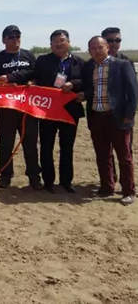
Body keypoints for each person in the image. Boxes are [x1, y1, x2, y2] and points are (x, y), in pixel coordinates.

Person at [82, 36, 137, 206]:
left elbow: (133, 93)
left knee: (124, 156)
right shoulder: (90, 67)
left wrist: (129, 115)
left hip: (117, 117)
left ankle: (128, 191)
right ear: (89, 51)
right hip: (97, 116)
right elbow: (89, 90)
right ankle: (107, 187)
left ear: (107, 47)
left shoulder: (122, 65)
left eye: (100, 47)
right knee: (102, 154)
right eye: (93, 48)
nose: (97, 51)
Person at [0, 25, 42, 190]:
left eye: (18, 36)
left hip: (27, 109)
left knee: (30, 144)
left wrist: (31, 82)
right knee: (6, 144)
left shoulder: (28, 55)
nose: (15, 39)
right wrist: (0, 84)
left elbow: (36, 74)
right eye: (11, 37)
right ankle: (5, 176)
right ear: (4, 40)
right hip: (6, 109)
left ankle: (34, 177)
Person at [33, 30, 84, 193]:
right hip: (47, 111)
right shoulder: (42, 60)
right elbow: (35, 78)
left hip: (70, 111)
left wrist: (73, 84)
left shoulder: (79, 62)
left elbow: (87, 81)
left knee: (67, 147)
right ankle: (48, 181)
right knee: (46, 147)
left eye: (62, 40)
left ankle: (66, 181)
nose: (59, 44)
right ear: (51, 45)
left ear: (68, 42)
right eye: (55, 41)